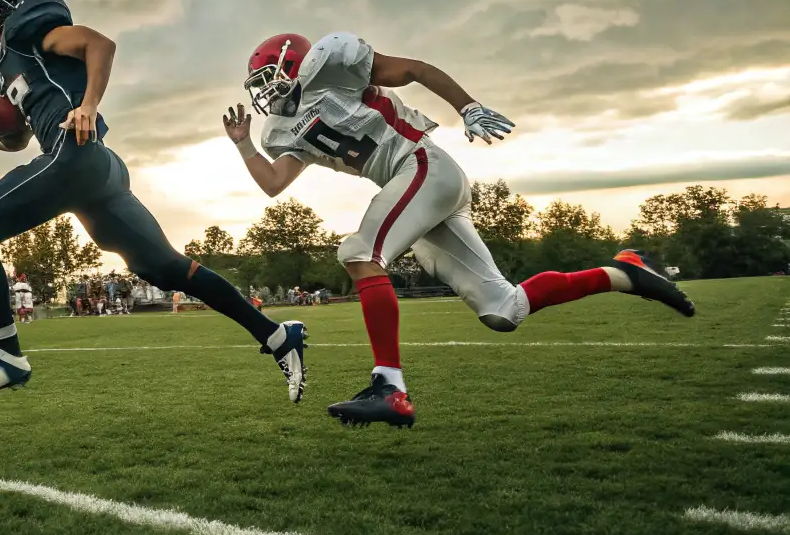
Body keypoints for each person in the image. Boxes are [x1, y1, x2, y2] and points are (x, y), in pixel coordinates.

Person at [225, 31, 696, 428]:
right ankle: (625, 273)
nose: (265, 93)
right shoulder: (282, 130)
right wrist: (245, 145)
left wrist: (467, 107)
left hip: (422, 165)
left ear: (295, 63)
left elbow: (414, 70)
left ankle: (390, 388)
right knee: (503, 310)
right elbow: (273, 183)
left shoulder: (333, 62)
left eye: (269, 78)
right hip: (414, 185)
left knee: (360, 253)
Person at [0, 0, 307, 399]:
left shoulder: (31, 27)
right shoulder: (3, 66)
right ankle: (277, 336)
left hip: (75, 152)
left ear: (9, 0)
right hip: (89, 167)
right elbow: (21, 137)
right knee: (170, 269)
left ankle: (6, 354)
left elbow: (99, 44)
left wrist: (87, 105)